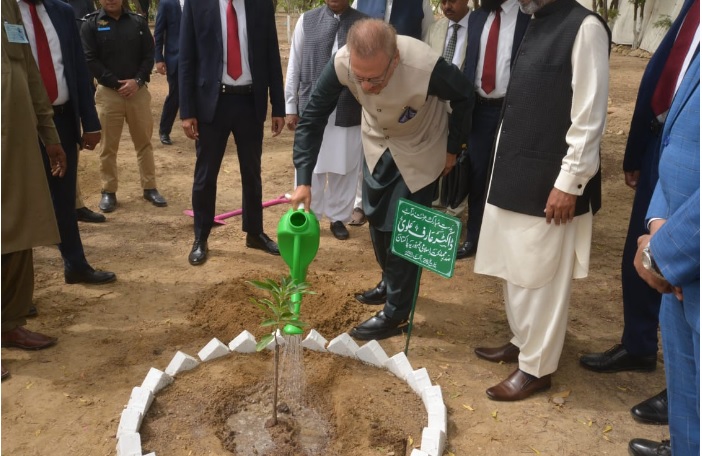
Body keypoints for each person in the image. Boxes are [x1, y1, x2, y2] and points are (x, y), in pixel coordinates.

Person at [290, 19, 473, 340]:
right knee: (376, 218)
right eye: (359, 79)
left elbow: (464, 96)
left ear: (395, 60)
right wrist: (303, 180)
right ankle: (391, 282)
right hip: (377, 141)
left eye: (375, 78)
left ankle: (397, 314)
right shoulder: (343, 63)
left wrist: (452, 148)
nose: (368, 87)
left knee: (403, 228)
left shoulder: (426, 66)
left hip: (421, 144)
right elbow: (313, 117)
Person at [471, 0, 610, 401]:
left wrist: (570, 181)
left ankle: (536, 368)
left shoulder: (584, 28)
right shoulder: (537, 21)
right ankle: (523, 341)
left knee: (541, 277)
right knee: (515, 268)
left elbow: (589, 116)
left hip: (551, 181)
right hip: (516, 170)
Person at [580, 0, 699, 434]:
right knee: (642, 257)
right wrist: (635, 153)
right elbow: (662, 83)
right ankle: (640, 344)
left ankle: (685, 394)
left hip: (691, 200)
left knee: (678, 275)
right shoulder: (692, 8)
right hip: (660, 160)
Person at [629, 48, 699, 456]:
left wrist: (662, 253)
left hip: (682, 259)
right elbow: (677, 146)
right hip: (678, 272)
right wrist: (658, 225)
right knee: (689, 417)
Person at [179, 0, 285, 266]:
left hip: (250, 102)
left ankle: (254, 232)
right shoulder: (197, 5)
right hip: (211, 104)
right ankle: (201, 236)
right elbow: (187, 58)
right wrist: (187, 110)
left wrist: (279, 107)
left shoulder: (261, 5)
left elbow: (271, 54)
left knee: (252, 171)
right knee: (206, 174)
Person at [19, 0, 116, 285]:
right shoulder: (6, 13)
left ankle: (75, 265)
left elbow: (76, 69)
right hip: (20, 124)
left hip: (61, 119)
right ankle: (15, 292)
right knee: (19, 204)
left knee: (63, 198)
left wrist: (91, 121)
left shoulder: (61, 12)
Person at [1, 0, 66, 380]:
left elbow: (26, 70)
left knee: (18, 228)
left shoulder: (10, 8)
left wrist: (49, 132)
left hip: (18, 143)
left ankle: (9, 322)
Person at [285, 0, 366, 242]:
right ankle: (308, 214)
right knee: (313, 163)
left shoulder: (363, 24)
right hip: (313, 105)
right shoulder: (306, 21)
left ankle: (338, 217)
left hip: (349, 107)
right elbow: (294, 64)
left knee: (346, 164)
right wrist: (291, 106)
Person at [455, 0, 530, 259]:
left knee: (509, 177)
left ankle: (507, 244)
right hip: (479, 111)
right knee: (476, 176)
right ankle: (474, 238)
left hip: (513, 111)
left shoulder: (528, 16)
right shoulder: (477, 18)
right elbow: (470, 65)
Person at [349, 0, 435, 227]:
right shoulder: (360, 1)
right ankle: (361, 203)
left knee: (402, 148)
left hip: (404, 89)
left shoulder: (421, 4)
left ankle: (402, 206)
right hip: (369, 85)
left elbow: (427, 45)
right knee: (367, 145)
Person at [81, 0, 167, 213]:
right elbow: (90, 59)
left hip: (137, 93)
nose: (111, 0)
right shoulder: (91, 24)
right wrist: (115, 83)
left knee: (144, 143)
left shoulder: (137, 22)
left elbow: (148, 55)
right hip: (109, 94)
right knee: (108, 146)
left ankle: (150, 187)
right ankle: (108, 191)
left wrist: (136, 82)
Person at [424, 0, 471, 219]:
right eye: (442, 1)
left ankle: (454, 211)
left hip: (466, 107)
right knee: (436, 159)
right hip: (436, 107)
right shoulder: (435, 29)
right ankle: (434, 207)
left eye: (452, 1)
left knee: (459, 162)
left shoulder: (480, 28)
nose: (446, 6)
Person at [153, 0, 181, 146]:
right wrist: (159, 58)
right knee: (175, 95)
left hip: (197, 60)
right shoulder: (167, 3)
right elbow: (158, 32)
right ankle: (164, 131)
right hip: (175, 58)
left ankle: (201, 131)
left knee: (200, 94)